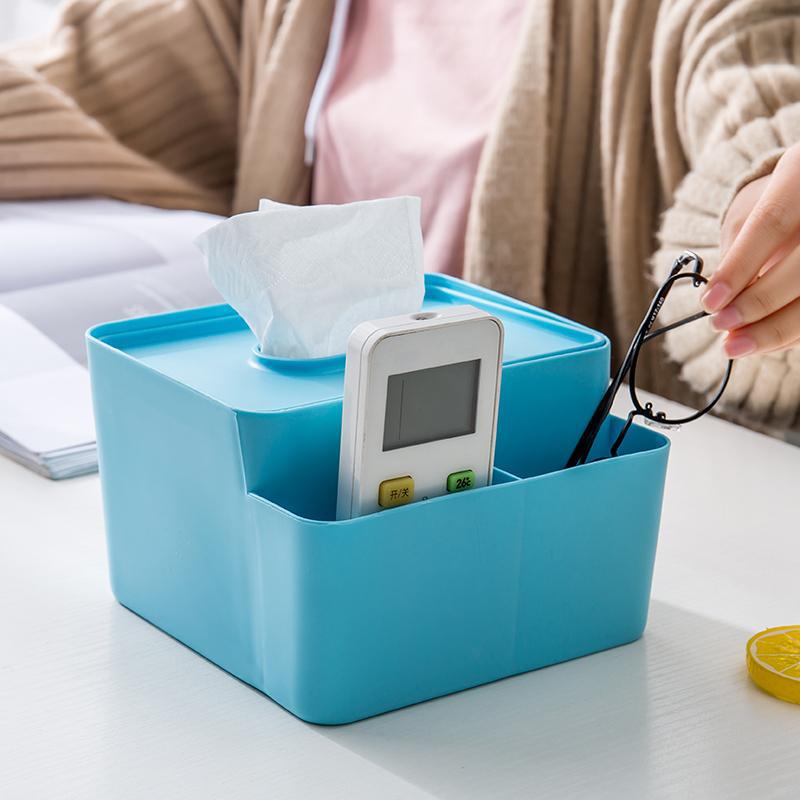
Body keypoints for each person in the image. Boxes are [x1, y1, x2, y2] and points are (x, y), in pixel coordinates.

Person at [2, 0, 800, 432]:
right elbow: (61, 93)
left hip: (536, 514)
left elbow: (764, 102)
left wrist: (758, 221)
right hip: (307, 464)